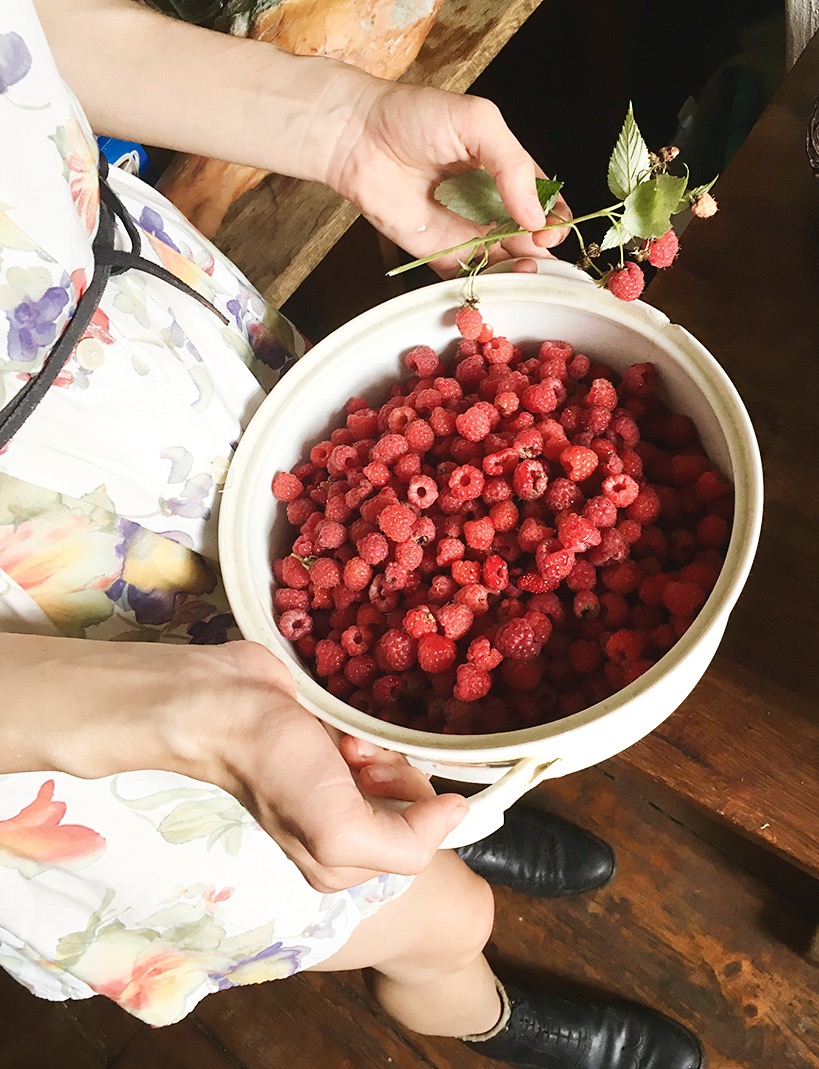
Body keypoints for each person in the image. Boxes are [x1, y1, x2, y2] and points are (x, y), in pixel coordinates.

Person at [0, 3, 703, 1066]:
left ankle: (471, 811)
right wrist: (178, 714)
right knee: (423, 911)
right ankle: (453, 998)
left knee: (414, 742)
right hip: (50, 697)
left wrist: (344, 127)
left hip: (152, 356)